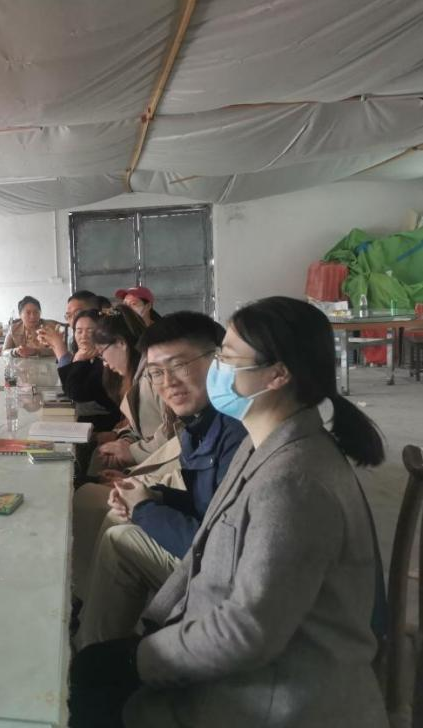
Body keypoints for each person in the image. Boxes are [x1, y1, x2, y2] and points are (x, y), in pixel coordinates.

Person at [71, 297, 388, 728]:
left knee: (92, 684)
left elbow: (247, 631)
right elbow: (212, 534)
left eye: (224, 358)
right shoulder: (265, 443)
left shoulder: (293, 479)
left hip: (277, 694)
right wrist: (152, 633)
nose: (214, 370)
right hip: (246, 646)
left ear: (277, 374)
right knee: (93, 667)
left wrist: (141, 658)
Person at [73, 312, 248, 650]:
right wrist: (155, 497)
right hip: (213, 555)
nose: (168, 382)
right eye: (155, 372)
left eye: (180, 365)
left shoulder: (240, 433)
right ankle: (95, 631)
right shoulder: (203, 423)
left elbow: (219, 547)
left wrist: (145, 509)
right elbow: (208, 505)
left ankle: (92, 651)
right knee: (117, 520)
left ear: (220, 361)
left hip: (226, 587)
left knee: (120, 537)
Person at [88, 306, 171, 475]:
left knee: (89, 485)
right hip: (148, 457)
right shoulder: (137, 376)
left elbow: (171, 435)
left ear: (121, 343)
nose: (105, 363)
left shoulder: (154, 376)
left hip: (161, 465)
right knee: (101, 456)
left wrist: (131, 453)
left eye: (102, 354)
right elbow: (138, 428)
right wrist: (124, 441)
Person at [43, 308, 122, 431]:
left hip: (106, 424)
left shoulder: (105, 360)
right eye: (79, 331)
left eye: (90, 330)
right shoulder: (87, 356)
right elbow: (68, 387)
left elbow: (75, 393)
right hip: (89, 418)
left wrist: (78, 360)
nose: (83, 336)